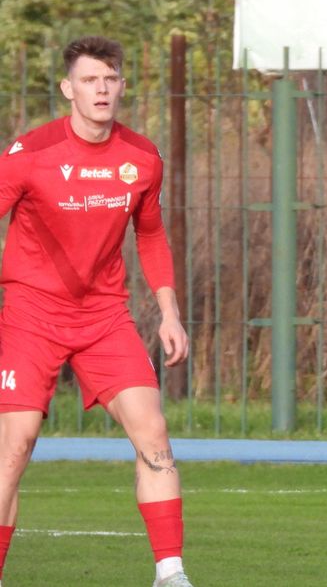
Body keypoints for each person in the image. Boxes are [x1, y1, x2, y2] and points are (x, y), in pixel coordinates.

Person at [0, 36, 193, 587]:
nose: (101, 89)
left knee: (153, 431)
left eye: (110, 79)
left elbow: (151, 235)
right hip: (32, 314)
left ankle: (171, 574)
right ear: (69, 89)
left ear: (122, 86)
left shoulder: (142, 157)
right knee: (15, 447)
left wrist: (169, 313)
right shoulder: (30, 154)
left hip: (104, 317)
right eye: (89, 80)